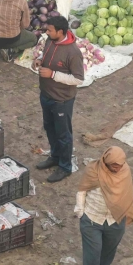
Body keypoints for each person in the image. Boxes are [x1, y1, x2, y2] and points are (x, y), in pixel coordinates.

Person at [34, 15, 83, 183]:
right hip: (46, 95)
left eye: (50, 30)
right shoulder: (50, 40)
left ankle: (65, 167)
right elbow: (46, 56)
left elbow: (78, 79)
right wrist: (39, 61)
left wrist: (53, 74)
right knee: (49, 128)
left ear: (60, 32)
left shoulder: (73, 52)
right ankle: (54, 157)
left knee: (63, 134)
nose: (46, 32)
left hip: (61, 100)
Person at [75, 147, 133, 265]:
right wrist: (81, 212)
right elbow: (82, 190)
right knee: (92, 257)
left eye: (119, 165)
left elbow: (127, 192)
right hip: (92, 219)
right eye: (114, 165)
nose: (117, 168)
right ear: (106, 162)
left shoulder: (125, 171)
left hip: (115, 221)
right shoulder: (93, 170)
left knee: (107, 256)